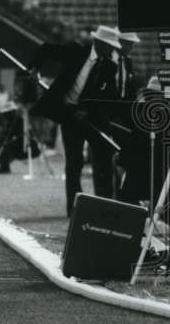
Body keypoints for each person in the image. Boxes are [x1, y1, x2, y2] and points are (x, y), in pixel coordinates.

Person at [27, 25, 123, 216]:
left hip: (92, 118)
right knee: (74, 161)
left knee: (104, 156)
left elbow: (107, 96)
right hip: (69, 114)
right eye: (110, 46)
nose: (113, 50)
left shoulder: (109, 67)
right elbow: (46, 49)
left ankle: (104, 203)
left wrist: (87, 110)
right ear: (100, 43)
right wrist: (34, 68)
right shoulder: (76, 51)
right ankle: (74, 205)